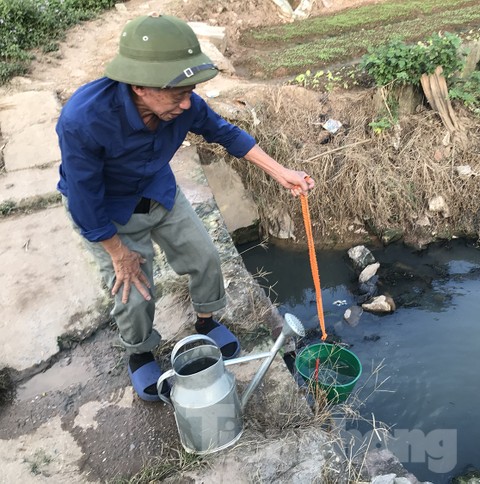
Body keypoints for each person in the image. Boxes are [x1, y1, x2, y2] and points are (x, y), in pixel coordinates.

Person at [56, 13, 314, 402]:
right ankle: (140, 351)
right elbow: (83, 197)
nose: (187, 102)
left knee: (205, 257)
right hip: (107, 210)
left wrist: (282, 173)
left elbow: (226, 133)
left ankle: (206, 323)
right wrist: (118, 253)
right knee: (134, 290)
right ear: (140, 86)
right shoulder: (84, 119)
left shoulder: (184, 104)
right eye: (178, 92)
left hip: (159, 190)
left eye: (191, 90)